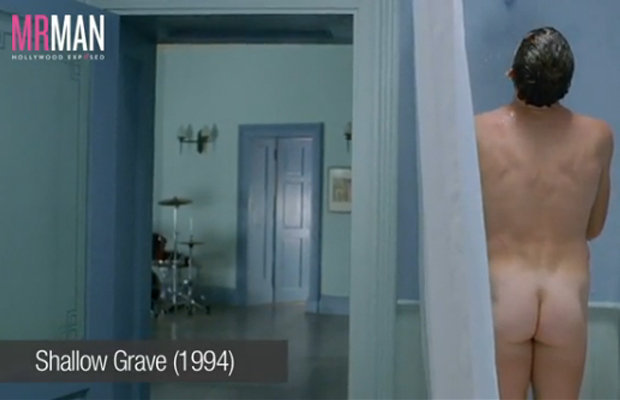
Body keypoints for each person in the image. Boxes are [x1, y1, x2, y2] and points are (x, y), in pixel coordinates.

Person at [475, 27, 614, 399]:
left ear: (513, 74)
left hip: (505, 295)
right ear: (566, 82)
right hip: (565, 298)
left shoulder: (479, 132)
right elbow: (594, 227)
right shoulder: (598, 136)